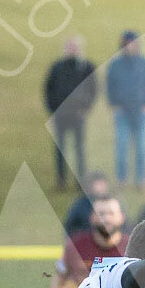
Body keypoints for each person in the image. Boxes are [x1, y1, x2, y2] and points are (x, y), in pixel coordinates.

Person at [44, 195, 128, 288]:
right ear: (92, 217)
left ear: (121, 217)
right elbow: (60, 282)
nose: (106, 218)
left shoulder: (133, 247)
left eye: (111, 213)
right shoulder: (75, 246)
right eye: (101, 214)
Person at [42, 36, 98, 189]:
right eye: (69, 47)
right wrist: (53, 109)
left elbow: (93, 89)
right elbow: (48, 89)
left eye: (75, 47)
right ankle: (61, 180)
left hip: (78, 114)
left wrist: (86, 108)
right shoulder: (57, 67)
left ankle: (80, 181)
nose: (72, 50)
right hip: (60, 114)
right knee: (60, 148)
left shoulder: (86, 67)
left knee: (79, 148)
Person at [107, 31, 145, 186]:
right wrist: (114, 104)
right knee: (122, 146)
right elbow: (110, 86)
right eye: (127, 44)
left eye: (132, 43)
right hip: (122, 112)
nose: (130, 47)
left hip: (140, 112)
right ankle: (121, 179)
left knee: (142, 147)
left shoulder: (144, 63)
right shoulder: (115, 65)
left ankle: (141, 179)